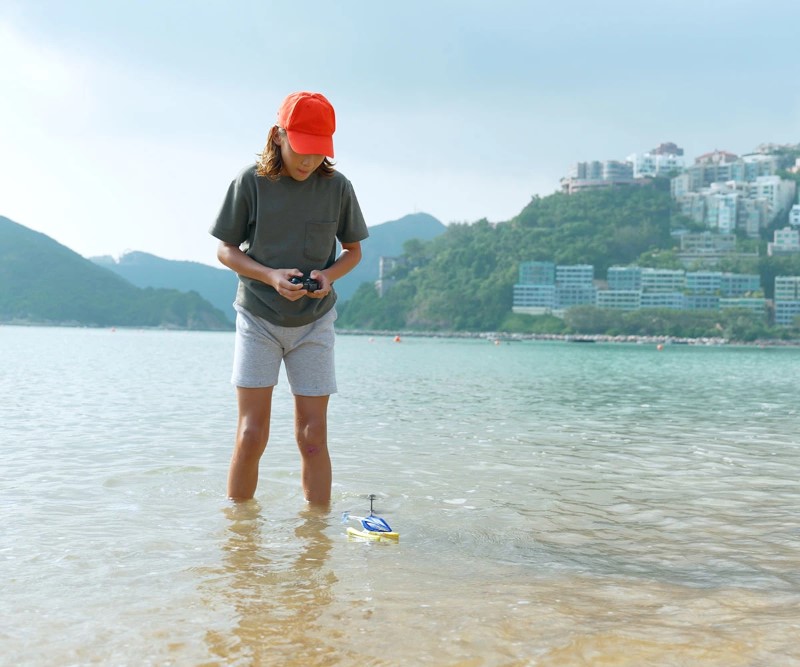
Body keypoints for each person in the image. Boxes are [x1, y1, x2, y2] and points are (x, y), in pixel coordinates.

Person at [210, 91, 368, 504]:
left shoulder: (338, 188)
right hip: (258, 318)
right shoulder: (250, 182)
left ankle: (317, 535)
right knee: (251, 434)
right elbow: (225, 250)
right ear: (278, 136)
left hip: (315, 322)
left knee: (313, 436)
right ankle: (239, 534)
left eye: (319, 151)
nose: (309, 161)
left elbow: (353, 251)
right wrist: (269, 276)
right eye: (301, 148)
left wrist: (328, 276)